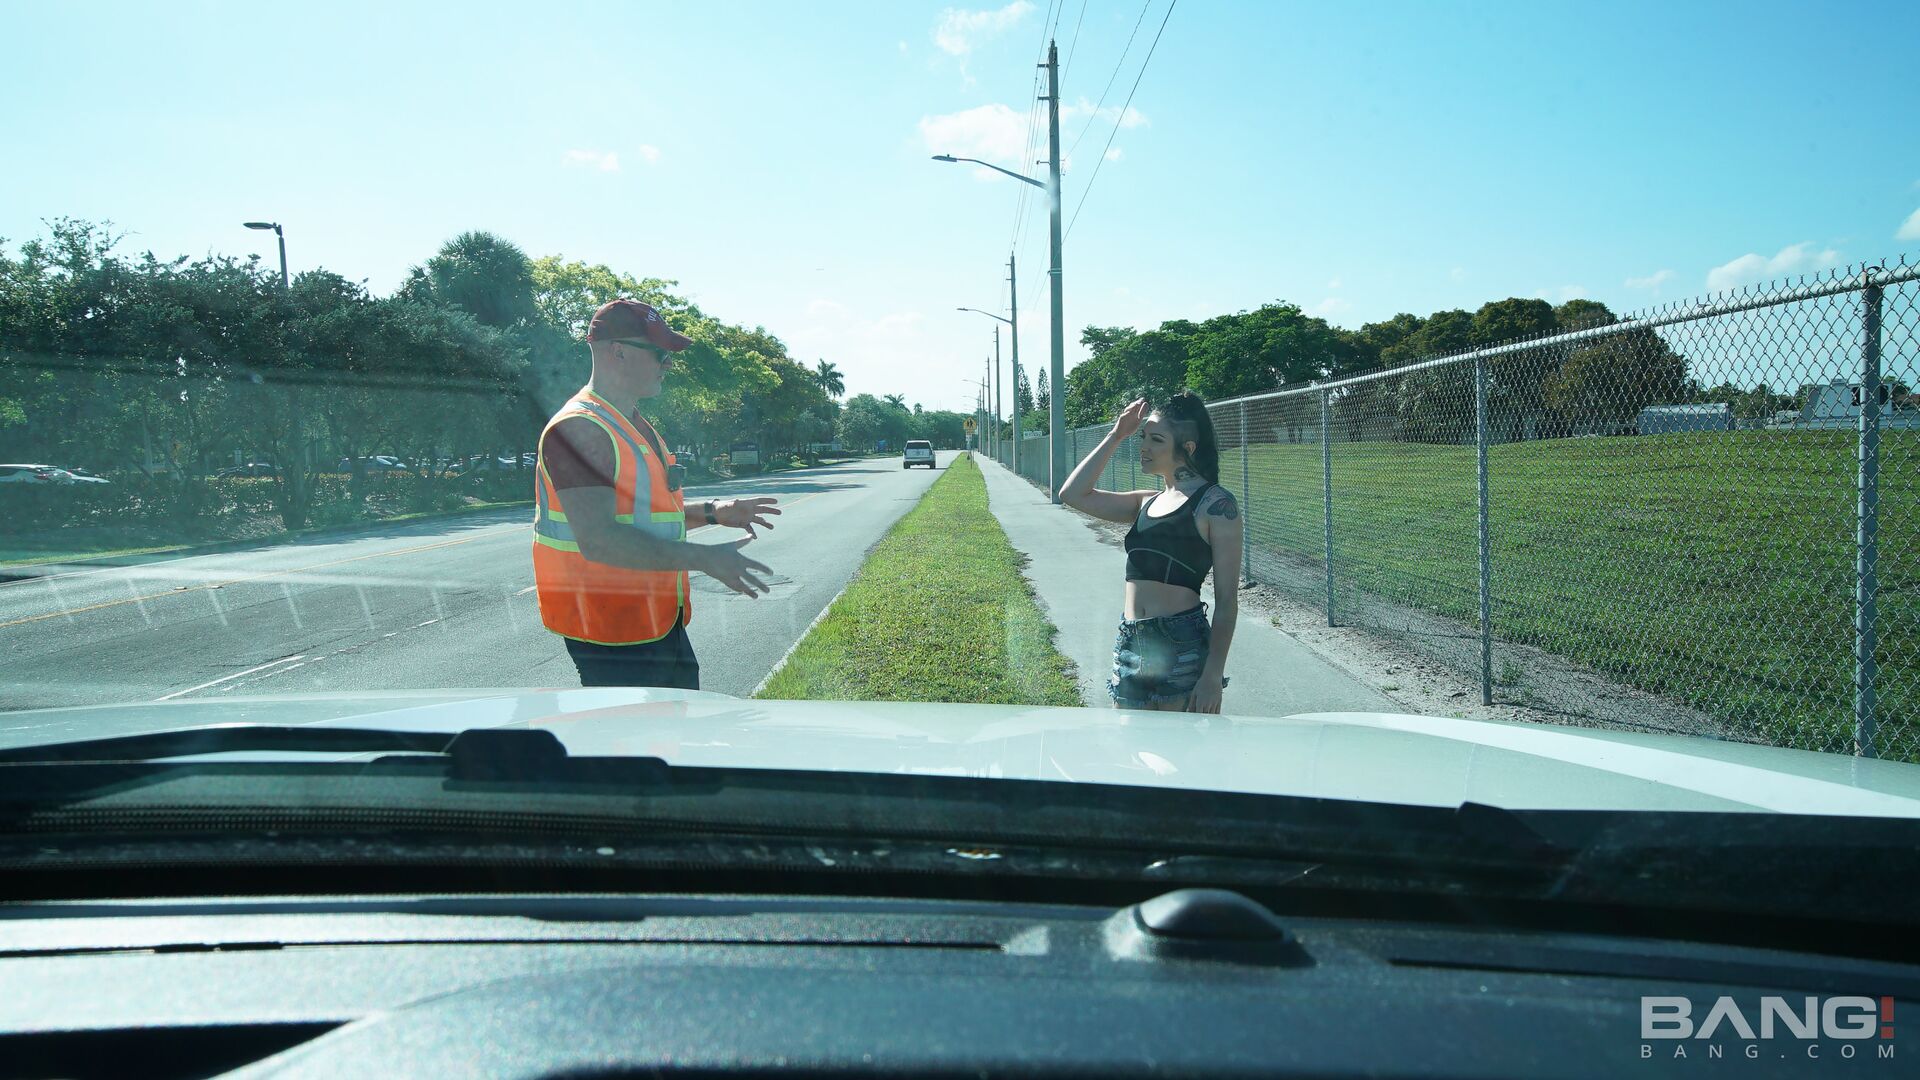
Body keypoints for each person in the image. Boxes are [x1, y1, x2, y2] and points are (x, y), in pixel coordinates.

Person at [532, 299, 780, 689]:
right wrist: (705, 558)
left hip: (656, 623)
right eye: (661, 353)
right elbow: (600, 540)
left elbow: (646, 519)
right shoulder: (580, 429)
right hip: (612, 633)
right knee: (636, 746)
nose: (668, 364)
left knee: (676, 738)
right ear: (618, 352)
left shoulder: (629, 423)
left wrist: (715, 512)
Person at [1059, 393, 1242, 713]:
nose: (1143, 446)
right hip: (1130, 641)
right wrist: (1117, 434)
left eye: (1156, 439)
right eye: (1143, 436)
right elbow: (1072, 494)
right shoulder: (1146, 501)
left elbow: (1227, 602)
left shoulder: (1215, 505)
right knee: (1129, 752)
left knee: (1178, 757)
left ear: (1187, 448)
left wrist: (1212, 675)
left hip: (1180, 644)